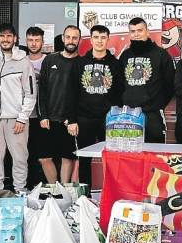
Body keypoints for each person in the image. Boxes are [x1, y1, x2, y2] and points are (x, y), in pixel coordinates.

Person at [0, 23, 36, 194]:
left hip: (16, 118)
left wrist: (22, 118)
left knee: (19, 157)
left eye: (9, 36)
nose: (5, 39)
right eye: (2, 36)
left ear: (15, 38)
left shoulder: (24, 61)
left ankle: (20, 190)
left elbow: (30, 93)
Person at [72, 24, 123, 189]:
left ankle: (110, 193)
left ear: (108, 39)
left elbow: (120, 92)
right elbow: (71, 91)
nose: (99, 41)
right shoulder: (80, 63)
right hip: (84, 118)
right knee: (84, 160)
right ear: (91, 39)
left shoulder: (116, 64)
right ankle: (85, 198)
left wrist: (115, 116)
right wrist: (71, 119)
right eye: (96, 37)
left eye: (103, 37)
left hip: (107, 119)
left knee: (110, 159)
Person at [118, 17, 175, 143]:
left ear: (147, 32)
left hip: (152, 115)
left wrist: (157, 104)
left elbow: (170, 84)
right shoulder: (125, 55)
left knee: (154, 157)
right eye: (133, 31)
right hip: (129, 115)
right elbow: (119, 83)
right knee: (131, 157)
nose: (136, 34)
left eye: (140, 30)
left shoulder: (161, 55)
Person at [38, 25, 81, 184]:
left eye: (74, 38)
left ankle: (64, 190)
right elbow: (42, 89)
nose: (71, 41)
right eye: (68, 37)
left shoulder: (82, 63)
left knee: (67, 158)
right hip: (49, 119)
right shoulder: (50, 60)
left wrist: (73, 119)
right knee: (44, 158)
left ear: (79, 40)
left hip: (69, 121)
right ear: (63, 38)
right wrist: (43, 115)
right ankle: (53, 189)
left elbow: (81, 96)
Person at [24, 26, 47, 188]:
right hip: (24, 115)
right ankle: (27, 184)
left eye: (37, 40)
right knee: (25, 153)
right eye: (30, 40)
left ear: (42, 42)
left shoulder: (49, 60)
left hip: (42, 115)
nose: (33, 44)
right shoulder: (21, 60)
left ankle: (42, 185)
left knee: (43, 154)